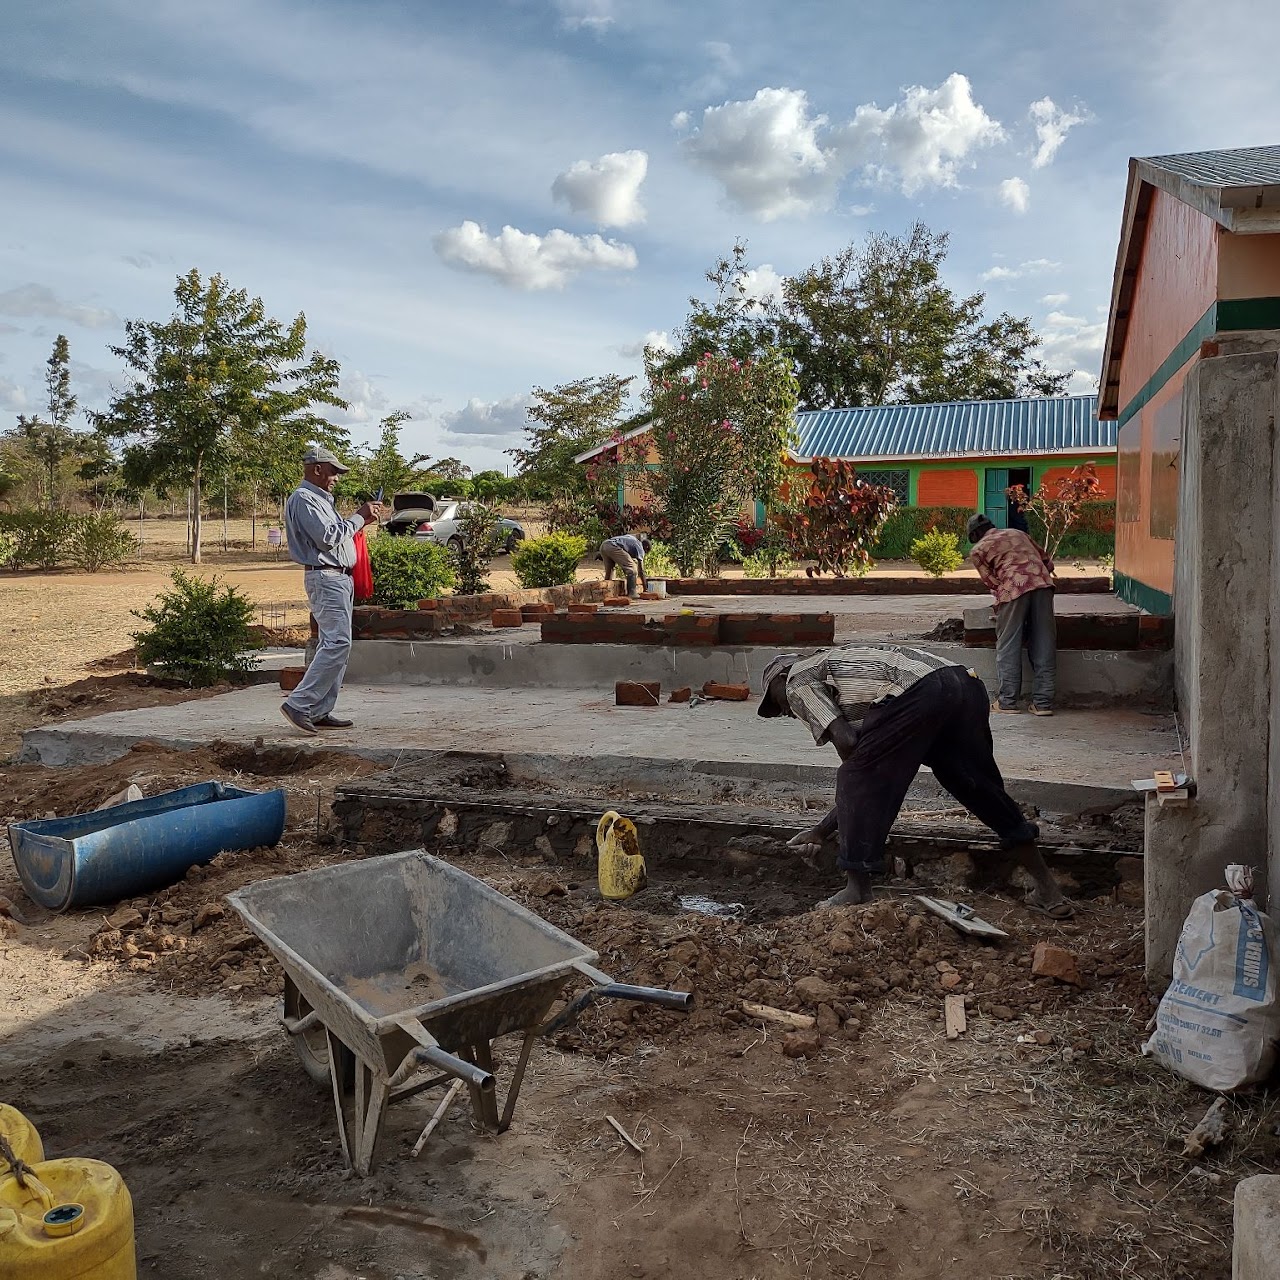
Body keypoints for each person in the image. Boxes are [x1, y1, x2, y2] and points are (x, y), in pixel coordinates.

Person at [757, 645, 1073, 916]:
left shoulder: (798, 678)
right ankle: (1048, 890)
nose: (783, 711)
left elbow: (852, 752)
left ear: (781, 678)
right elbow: (874, 770)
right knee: (977, 786)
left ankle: (856, 889)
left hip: (921, 690)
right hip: (964, 683)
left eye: (776, 702)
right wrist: (819, 831)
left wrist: (830, 821)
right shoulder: (843, 670)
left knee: (855, 775)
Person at [280, 445, 383, 735]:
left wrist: (360, 520)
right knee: (337, 644)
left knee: (335, 644)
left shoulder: (319, 500)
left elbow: (336, 534)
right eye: (334, 471)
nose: (337, 477)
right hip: (326, 578)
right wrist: (359, 516)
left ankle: (319, 709)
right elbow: (328, 538)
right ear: (317, 469)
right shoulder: (304, 499)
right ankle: (299, 704)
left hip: (336, 578)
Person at [967, 514, 1056, 716]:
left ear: (974, 535)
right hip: (1043, 585)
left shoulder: (978, 550)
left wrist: (1001, 608)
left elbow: (992, 583)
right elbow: (1047, 563)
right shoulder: (1018, 533)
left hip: (1013, 588)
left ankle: (1007, 702)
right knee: (1044, 642)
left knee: (1008, 644)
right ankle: (1043, 703)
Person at [599, 532, 651, 598]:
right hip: (613, 546)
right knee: (632, 569)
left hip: (604, 545)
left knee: (610, 571)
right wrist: (645, 589)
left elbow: (621, 543)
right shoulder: (640, 547)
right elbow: (641, 571)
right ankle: (632, 593)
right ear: (646, 548)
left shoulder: (632, 538)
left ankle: (606, 594)